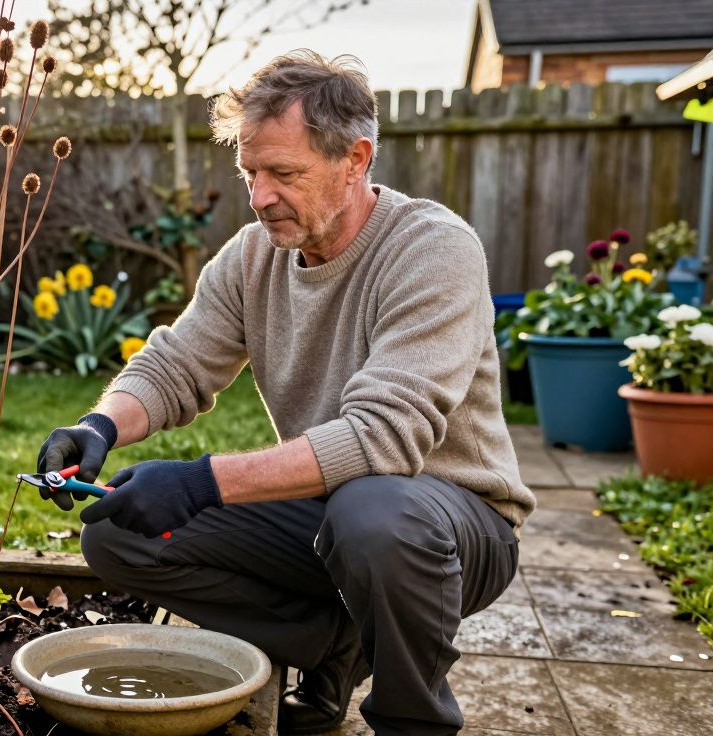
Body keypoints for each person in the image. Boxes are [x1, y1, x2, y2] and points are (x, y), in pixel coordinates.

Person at [35, 50, 534, 736]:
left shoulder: (434, 250)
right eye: (250, 173)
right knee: (118, 532)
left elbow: (385, 438)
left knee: (372, 513)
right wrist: (99, 426)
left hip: (450, 523)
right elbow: (177, 363)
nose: (260, 195)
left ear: (355, 160)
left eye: (284, 174)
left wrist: (202, 481)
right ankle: (331, 644)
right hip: (332, 510)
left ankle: (412, 719)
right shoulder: (253, 255)